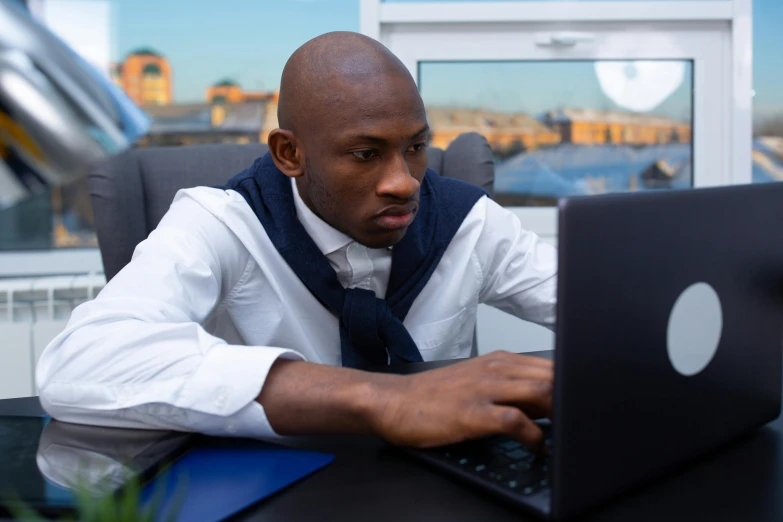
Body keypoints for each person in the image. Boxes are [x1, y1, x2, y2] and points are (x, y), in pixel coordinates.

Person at [36, 32, 557, 453]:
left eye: (416, 146)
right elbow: (80, 364)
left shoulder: (469, 222)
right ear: (289, 154)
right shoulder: (221, 223)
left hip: (451, 494)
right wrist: (387, 398)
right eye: (364, 153)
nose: (404, 181)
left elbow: (610, 310)